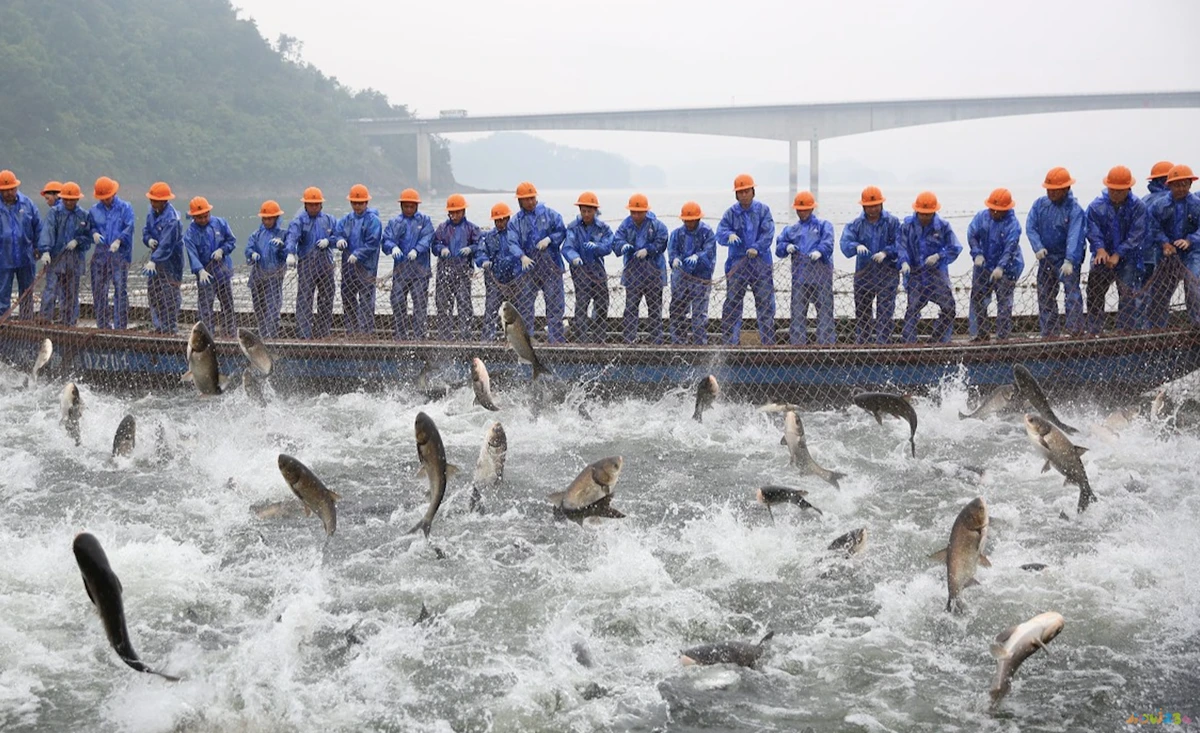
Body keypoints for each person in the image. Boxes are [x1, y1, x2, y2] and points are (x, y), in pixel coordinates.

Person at [1084, 166, 1148, 333]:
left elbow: (1137, 234)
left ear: (1128, 188)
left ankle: (1126, 332)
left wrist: (1119, 253)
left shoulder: (1138, 207)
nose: (1116, 194)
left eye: (1120, 190)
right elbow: (1092, 229)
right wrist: (1100, 249)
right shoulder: (1096, 206)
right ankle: (1094, 331)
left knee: (1128, 295)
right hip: (1102, 257)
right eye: (1113, 190)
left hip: (1128, 258)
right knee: (1094, 292)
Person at [1026, 167, 1086, 337]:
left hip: (1067, 260)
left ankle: (1075, 331)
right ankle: (1049, 333)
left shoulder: (1075, 210)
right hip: (1046, 257)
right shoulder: (1040, 205)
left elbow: (1076, 235)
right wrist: (1037, 247)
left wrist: (1070, 260)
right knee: (1045, 295)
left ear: (1066, 189)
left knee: (1072, 294)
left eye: (1055, 190)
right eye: (1049, 189)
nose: (1051, 193)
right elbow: (1031, 226)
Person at [717, 173, 776, 345]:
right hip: (737, 265)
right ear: (736, 194)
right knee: (733, 305)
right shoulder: (730, 213)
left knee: (765, 305)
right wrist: (729, 235)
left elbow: (769, 233)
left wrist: (757, 248)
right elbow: (720, 233)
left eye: (746, 191)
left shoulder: (763, 210)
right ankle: (730, 343)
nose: (743, 194)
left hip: (761, 264)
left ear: (753, 191)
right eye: (740, 192)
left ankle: (768, 343)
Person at [898, 191, 962, 343]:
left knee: (949, 308)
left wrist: (939, 255)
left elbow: (954, 247)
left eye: (928, 214)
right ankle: (909, 342)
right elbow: (900, 246)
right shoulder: (907, 226)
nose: (925, 217)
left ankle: (939, 340)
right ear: (916, 211)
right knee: (912, 309)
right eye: (922, 214)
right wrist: (904, 261)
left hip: (937, 275)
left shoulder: (943, 227)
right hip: (915, 275)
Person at [840, 186, 901, 344]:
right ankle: (863, 345)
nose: (873, 209)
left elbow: (901, 244)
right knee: (862, 313)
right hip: (864, 275)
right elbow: (845, 243)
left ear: (882, 204)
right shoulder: (856, 224)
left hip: (887, 275)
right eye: (869, 206)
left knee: (886, 313)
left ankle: (884, 345)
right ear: (863, 206)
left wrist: (886, 253)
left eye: (876, 205)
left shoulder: (892, 222)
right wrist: (856, 246)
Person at [775, 191, 835, 344]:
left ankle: (826, 345)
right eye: (799, 209)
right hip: (800, 279)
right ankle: (797, 345)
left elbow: (829, 243)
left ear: (812, 208)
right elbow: (779, 247)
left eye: (805, 209)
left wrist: (820, 251)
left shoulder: (823, 226)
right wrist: (786, 246)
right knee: (797, 314)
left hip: (822, 279)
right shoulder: (791, 230)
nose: (802, 212)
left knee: (825, 313)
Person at [510, 182, 567, 342]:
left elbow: (562, 231)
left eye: (531, 198)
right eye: (525, 199)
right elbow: (511, 242)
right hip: (528, 270)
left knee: (555, 307)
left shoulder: (550, 215)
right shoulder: (516, 221)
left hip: (551, 268)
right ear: (519, 201)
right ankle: (527, 343)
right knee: (525, 308)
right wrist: (521, 256)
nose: (529, 202)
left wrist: (550, 239)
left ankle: (556, 341)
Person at [966, 188, 1024, 340]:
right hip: (983, 264)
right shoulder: (981, 217)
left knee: (1004, 302)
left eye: (998, 210)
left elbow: (1010, 248)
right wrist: (977, 253)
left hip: (1008, 267)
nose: (994, 213)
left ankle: (1002, 336)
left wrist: (1001, 267)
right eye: (992, 209)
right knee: (978, 299)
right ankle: (980, 334)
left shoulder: (1013, 225)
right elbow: (972, 234)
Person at [1147, 164, 1200, 327]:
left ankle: (1197, 326)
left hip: (1192, 254)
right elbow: (1152, 227)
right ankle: (1156, 331)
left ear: (1190, 184)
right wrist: (1164, 243)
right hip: (1167, 256)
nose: (1181, 188)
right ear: (1168, 185)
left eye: (1185, 184)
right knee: (1159, 294)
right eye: (1177, 184)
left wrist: (1190, 240)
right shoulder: (1158, 206)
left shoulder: (1197, 205)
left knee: (1194, 289)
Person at [613, 193, 669, 344]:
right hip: (633, 275)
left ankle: (656, 341)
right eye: (633, 212)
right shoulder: (626, 224)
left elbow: (663, 241)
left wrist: (649, 250)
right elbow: (616, 240)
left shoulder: (656, 224)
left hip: (654, 274)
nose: (636, 215)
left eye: (639, 212)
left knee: (655, 310)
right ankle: (629, 340)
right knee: (630, 308)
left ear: (646, 211)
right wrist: (622, 246)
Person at [285, 186, 338, 339]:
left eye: (316, 204)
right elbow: (292, 237)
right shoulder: (299, 221)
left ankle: (323, 333)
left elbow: (339, 236)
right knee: (304, 299)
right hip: (307, 266)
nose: (314, 207)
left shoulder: (329, 220)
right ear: (305, 205)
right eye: (310, 204)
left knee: (327, 298)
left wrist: (329, 241)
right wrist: (290, 252)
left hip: (326, 265)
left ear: (321, 204)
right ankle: (304, 334)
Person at [562, 192, 614, 343]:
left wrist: (597, 247)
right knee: (581, 305)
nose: (586, 214)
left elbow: (609, 245)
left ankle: (600, 338)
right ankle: (582, 339)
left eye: (589, 211)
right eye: (583, 210)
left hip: (598, 271)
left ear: (595, 211)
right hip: (580, 272)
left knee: (602, 304)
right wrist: (574, 258)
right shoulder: (573, 227)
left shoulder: (603, 228)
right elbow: (567, 247)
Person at [382, 188, 434, 340]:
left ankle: (420, 335)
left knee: (419, 302)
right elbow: (386, 240)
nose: (409, 209)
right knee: (397, 301)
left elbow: (428, 237)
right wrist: (392, 247)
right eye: (406, 206)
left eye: (412, 206)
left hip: (420, 271)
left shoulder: (425, 220)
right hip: (401, 271)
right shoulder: (394, 222)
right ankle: (400, 334)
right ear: (401, 206)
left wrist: (417, 250)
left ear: (417, 206)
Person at [36, 181, 89, 325]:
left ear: (78, 199)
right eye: (67, 199)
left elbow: (88, 237)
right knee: (51, 289)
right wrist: (45, 251)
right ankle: (45, 319)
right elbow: (48, 231)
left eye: (73, 200)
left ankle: (69, 321)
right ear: (62, 198)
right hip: (56, 259)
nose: (70, 202)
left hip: (75, 260)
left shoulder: (83, 215)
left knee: (71, 293)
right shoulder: (55, 213)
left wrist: (78, 241)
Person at [183, 196, 238, 336]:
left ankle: (229, 333)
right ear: (193, 216)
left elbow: (231, 241)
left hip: (222, 272)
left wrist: (222, 250)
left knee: (227, 305)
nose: (203, 219)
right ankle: (208, 335)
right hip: (205, 276)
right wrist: (200, 270)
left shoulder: (220, 223)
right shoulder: (190, 234)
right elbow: (192, 254)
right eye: (199, 217)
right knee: (205, 307)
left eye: (205, 216)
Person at [86, 176, 134, 329]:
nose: (105, 200)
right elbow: (90, 226)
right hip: (100, 256)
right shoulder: (94, 210)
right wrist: (93, 232)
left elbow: (129, 227)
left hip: (120, 256)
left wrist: (119, 240)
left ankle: (120, 326)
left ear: (113, 193)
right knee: (99, 291)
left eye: (107, 197)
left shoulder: (125, 208)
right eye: (102, 198)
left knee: (120, 290)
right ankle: (103, 325)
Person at [335, 184, 382, 337]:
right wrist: (339, 240)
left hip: (367, 268)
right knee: (347, 297)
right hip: (348, 267)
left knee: (366, 300)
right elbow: (337, 231)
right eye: (354, 203)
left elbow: (373, 243)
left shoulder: (373, 221)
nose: (357, 206)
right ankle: (352, 331)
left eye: (360, 203)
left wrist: (358, 254)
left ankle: (366, 333)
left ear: (366, 203)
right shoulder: (346, 219)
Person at [432, 193, 481, 341]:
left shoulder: (472, 228)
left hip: (463, 273)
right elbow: (434, 245)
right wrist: (441, 249)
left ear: (464, 211)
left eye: (457, 211)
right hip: (444, 273)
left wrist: (470, 249)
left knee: (464, 304)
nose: (454, 215)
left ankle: (466, 336)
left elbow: (479, 245)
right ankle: (444, 337)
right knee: (443, 304)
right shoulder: (442, 228)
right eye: (452, 212)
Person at [667, 201, 716, 345]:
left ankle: (700, 343)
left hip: (701, 279)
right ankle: (678, 342)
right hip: (681, 279)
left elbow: (709, 251)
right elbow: (672, 250)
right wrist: (674, 259)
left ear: (698, 218)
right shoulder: (676, 234)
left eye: (692, 220)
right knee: (677, 311)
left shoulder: (707, 232)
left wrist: (698, 257)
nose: (689, 223)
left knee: (699, 314)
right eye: (686, 220)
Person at [141, 182, 184, 335]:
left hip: (171, 262)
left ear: (165, 200)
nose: (152, 203)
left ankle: (170, 327)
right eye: (151, 200)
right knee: (154, 292)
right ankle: (158, 326)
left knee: (169, 295)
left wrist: (154, 260)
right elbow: (146, 231)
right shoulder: (151, 212)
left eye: (155, 200)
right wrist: (148, 240)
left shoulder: (172, 219)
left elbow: (167, 244)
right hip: (156, 260)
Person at [476, 202, 524, 340]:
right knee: (490, 311)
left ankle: (517, 340)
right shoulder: (488, 237)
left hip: (515, 282)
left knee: (517, 313)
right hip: (495, 282)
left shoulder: (516, 235)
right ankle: (487, 340)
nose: (500, 222)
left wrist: (517, 268)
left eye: (502, 219)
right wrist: (483, 260)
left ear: (508, 218)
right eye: (497, 220)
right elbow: (480, 251)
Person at [245, 200, 288, 337]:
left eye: (270, 218)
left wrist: (282, 247)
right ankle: (263, 334)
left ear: (276, 218)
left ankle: (271, 336)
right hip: (258, 277)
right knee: (259, 307)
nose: (267, 221)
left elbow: (289, 253)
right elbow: (248, 249)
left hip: (274, 278)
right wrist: (252, 254)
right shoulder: (256, 235)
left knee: (273, 308)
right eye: (265, 218)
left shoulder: (283, 234)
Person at [1142, 160, 1176, 328]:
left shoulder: (1144, 200)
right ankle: (1157, 333)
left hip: (1142, 256)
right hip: (1162, 256)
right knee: (1160, 298)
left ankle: (1140, 333)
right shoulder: (1170, 202)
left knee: (1142, 296)